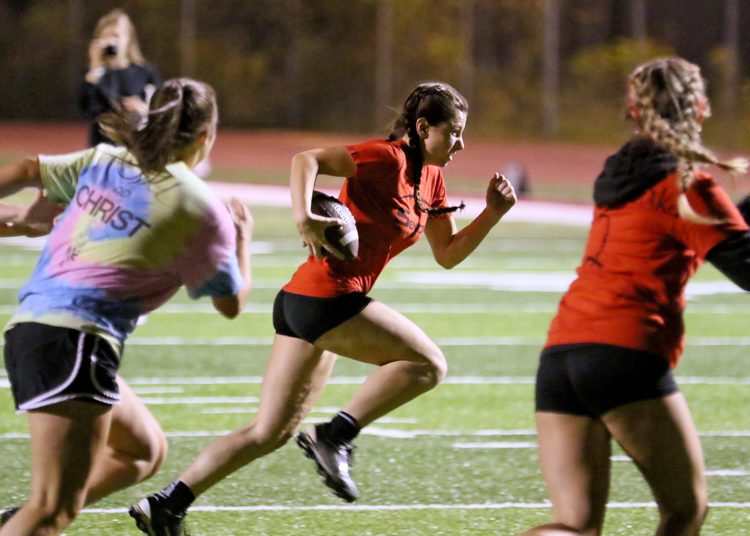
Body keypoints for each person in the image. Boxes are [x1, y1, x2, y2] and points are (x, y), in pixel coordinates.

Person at [130, 81, 517, 534]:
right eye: (454, 133)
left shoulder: (430, 177)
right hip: (326, 298)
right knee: (428, 364)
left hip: (308, 302)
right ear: (423, 126)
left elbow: (447, 253)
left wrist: (492, 213)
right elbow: (306, 160)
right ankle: (336, 435)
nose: (461, 144)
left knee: (268, 433)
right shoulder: (386, 157)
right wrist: (302, 216)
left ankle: (167, 504)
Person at [0, 77, 253, 536]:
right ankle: (36, 515)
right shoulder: (202, 207)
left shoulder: (108, 158)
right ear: (205, 137)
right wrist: (242, 240)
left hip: (36, 328)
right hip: (75, 340)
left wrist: (22, 221)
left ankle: (28, 515)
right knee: (51, 512)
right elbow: (231, 304)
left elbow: (23, 171)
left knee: (143, 451)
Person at [521, 57, 750, 536]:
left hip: (562, 352)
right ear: (700, 108)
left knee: (575, 526)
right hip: (624, 352)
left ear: (634, 111)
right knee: (685, 511)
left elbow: (704, 228)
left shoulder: (625, 178)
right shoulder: (688, 184)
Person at [79, 8, 162, 147]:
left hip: (136, 148)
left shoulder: (145, 72)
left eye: (116, 35)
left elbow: (164, 107)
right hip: (101, 148)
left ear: (128, 38)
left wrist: (146, 110)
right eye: (105, 36)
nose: (111, 41)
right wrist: (95, 68)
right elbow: (86, 109)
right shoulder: (93, 74)